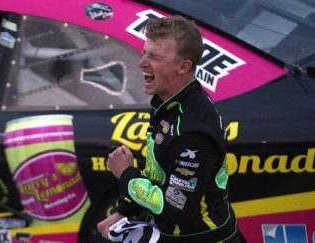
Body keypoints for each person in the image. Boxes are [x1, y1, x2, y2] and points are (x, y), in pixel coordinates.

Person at [97, 15, 244, 243]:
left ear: (182, 67)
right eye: (145, 52)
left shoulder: (193, 132)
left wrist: (126, 175)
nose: (141, 62)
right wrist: (124, 212)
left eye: (154, 57)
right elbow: (159, 174)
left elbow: (175, 211)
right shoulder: (169, 103)